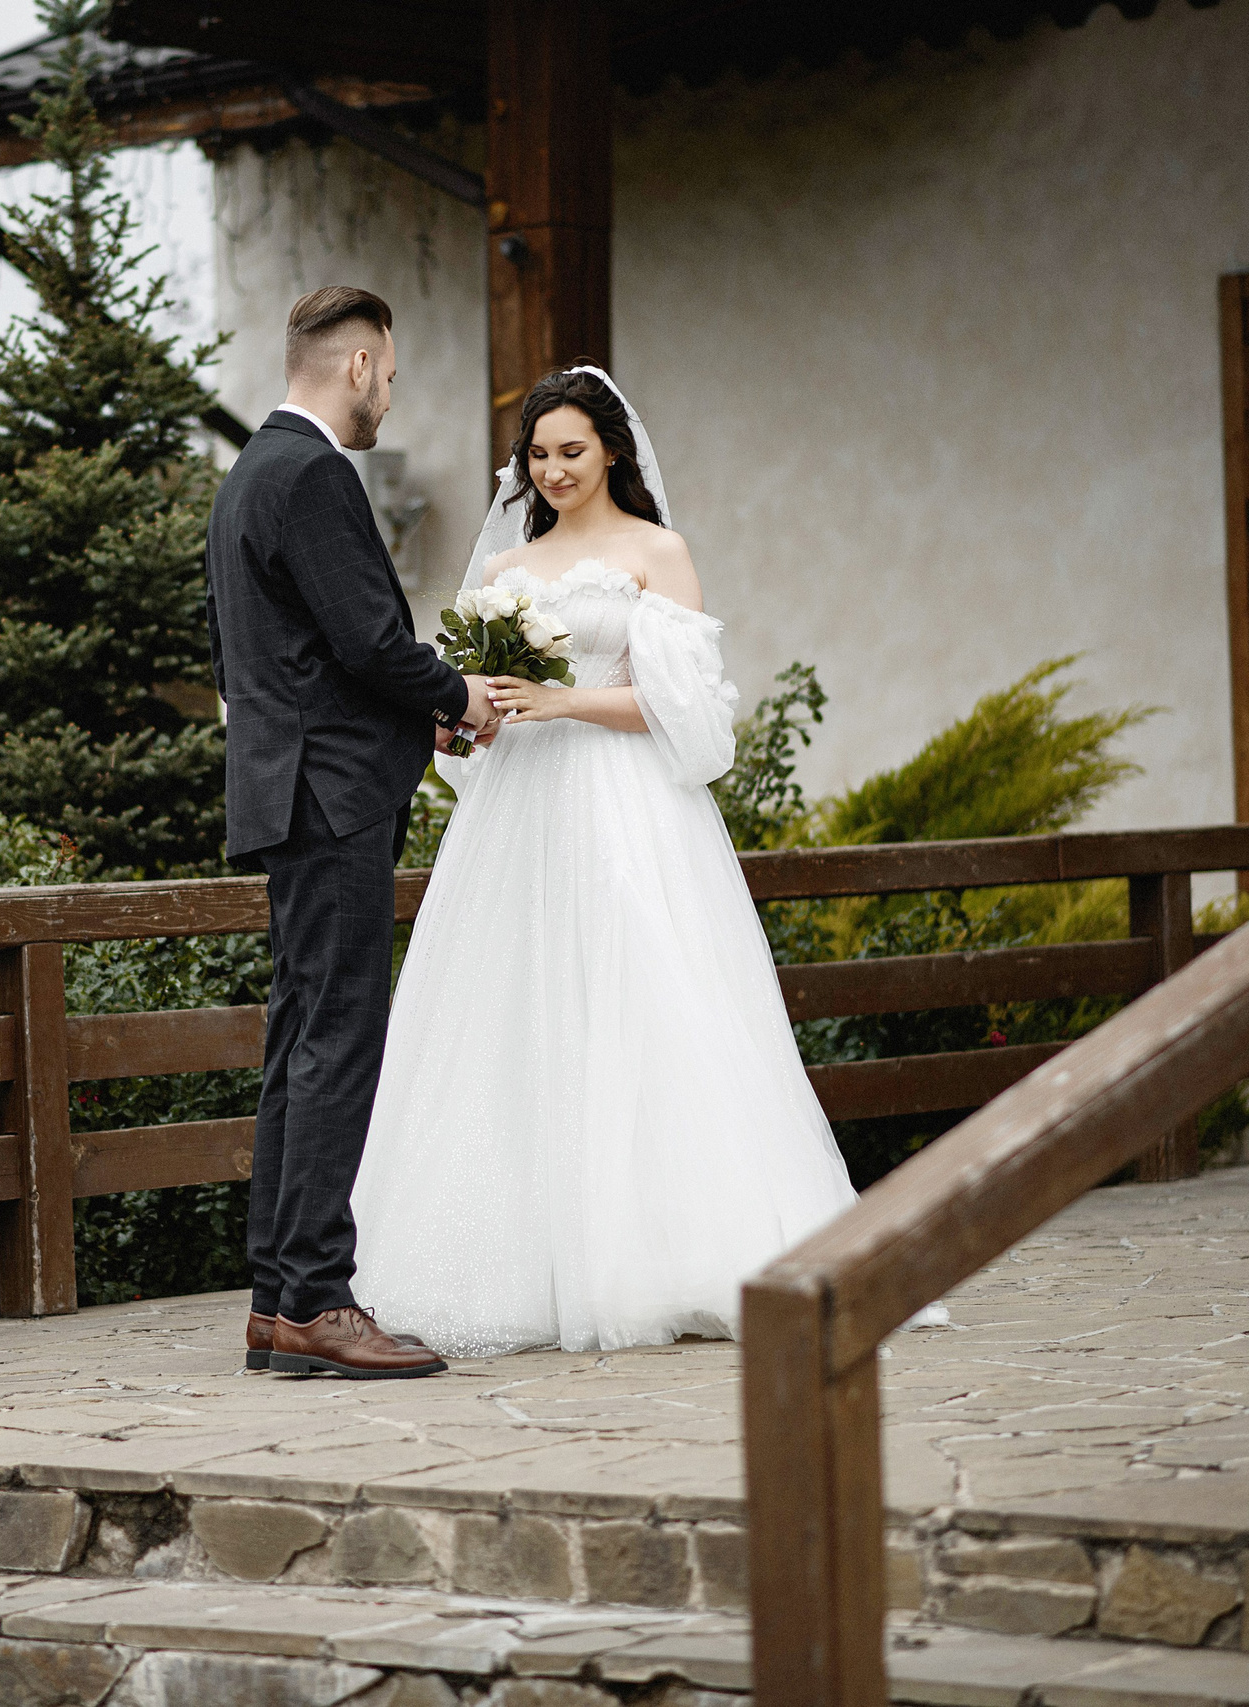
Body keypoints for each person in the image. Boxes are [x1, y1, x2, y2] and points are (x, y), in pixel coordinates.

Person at [350, 365, 948, 1355]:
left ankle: (670, 1254)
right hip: (519, 814)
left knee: (646, 999)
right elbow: (486, 706)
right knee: (511, 1011)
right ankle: (514, 1266)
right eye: (538, 456)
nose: (552, 472)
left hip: (624, 807)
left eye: (571, 452)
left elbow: (688, 712)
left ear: (614, 451)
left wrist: (565, 700)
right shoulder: (504, 572)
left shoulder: (655, 553)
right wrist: (483, 715)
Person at [204, 286, 501, 1380]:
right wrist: (456, 695)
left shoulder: (246, 476)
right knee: (337, 1042)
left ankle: (278, 1299)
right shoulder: (316, 473)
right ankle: (320, 1300)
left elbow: (275, 657)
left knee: (298, 1041)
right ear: (361, 366)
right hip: (332, 801)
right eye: (389, 374)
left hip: (289, 791)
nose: (389, 395)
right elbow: (370, 639)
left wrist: (405, 710)